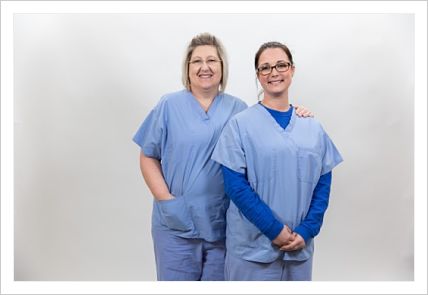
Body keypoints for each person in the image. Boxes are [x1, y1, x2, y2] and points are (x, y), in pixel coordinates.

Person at [133, 34, 313, 281]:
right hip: (175, 226)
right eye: (196, 61)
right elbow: (148, 156)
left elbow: (269, 127)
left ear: (222, 67)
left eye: (212, 60)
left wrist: (297, 113)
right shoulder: (168, 105)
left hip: (222, 228)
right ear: (187, 69)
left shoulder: (238, 109)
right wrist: (167, 201)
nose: (204, 67)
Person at [211, 41, 343, 281]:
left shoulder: (312, 127)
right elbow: (235, 186)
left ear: (292, 70)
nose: (274, 72)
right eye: (265, 67)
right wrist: (274, 230)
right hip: (252, 252)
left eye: (281, 65)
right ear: (258, 76)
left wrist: (307, 230)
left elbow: (323, 185)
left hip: (299, 248)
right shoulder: (240, 125)